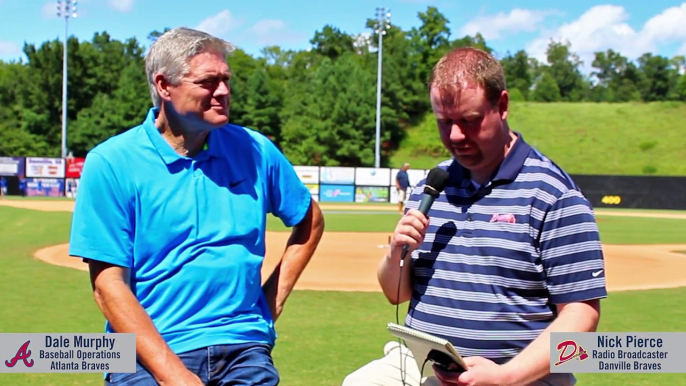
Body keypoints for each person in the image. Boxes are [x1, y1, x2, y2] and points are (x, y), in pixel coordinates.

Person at [69, 27, 325, 386]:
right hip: (148, 351)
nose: (223, 91)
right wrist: (174, 375)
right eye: (208, 82)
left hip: (242, 348)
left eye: (226, 80)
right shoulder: (111, 163)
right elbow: (108, 286)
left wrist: (270, 304)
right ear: (164, 86)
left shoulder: (256, 150)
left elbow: (310, 221)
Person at [342, 47, 606, 386]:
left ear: (503, 105)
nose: (454, 136)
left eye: (469, 120)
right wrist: (397, 251)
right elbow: (396, 294)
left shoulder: (552, 194)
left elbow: (582, 314)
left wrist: (507, 376)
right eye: (444, 122)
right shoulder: (431, 185)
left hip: (521, 375)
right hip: (422, 363)